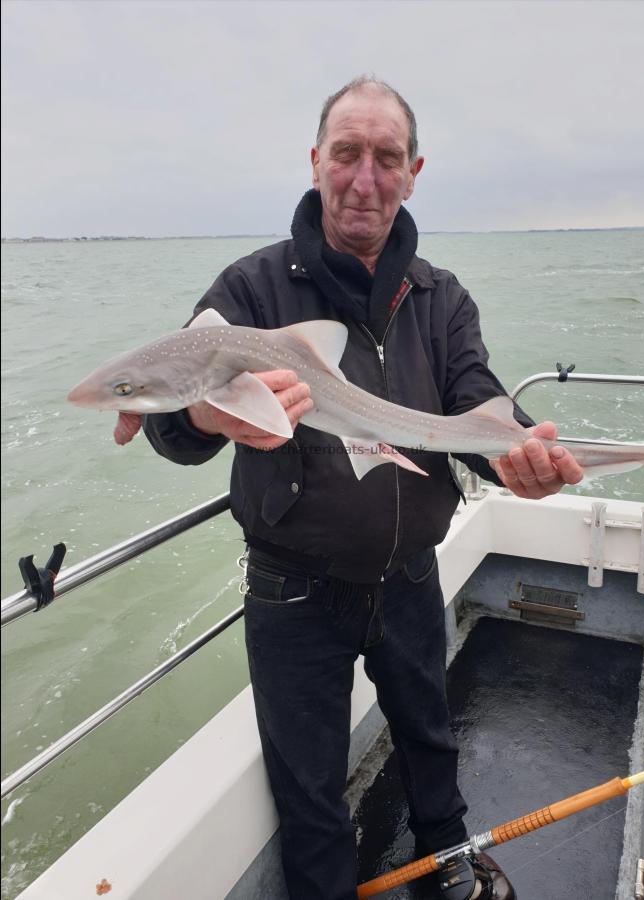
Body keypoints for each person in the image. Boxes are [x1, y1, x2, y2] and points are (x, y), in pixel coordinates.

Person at [136, 77, 584, 900]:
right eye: (346, 155)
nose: (364, 179)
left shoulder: (440, 297)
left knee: (427, 735)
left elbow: (475, 406)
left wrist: (521, 457)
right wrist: (206, 422)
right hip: (291, 589)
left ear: (413, 172)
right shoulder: (248, 294)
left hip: (411, 570)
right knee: (307, 784)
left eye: (386, 159)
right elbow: (169, 427)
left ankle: (447, 861)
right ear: (315, 162)